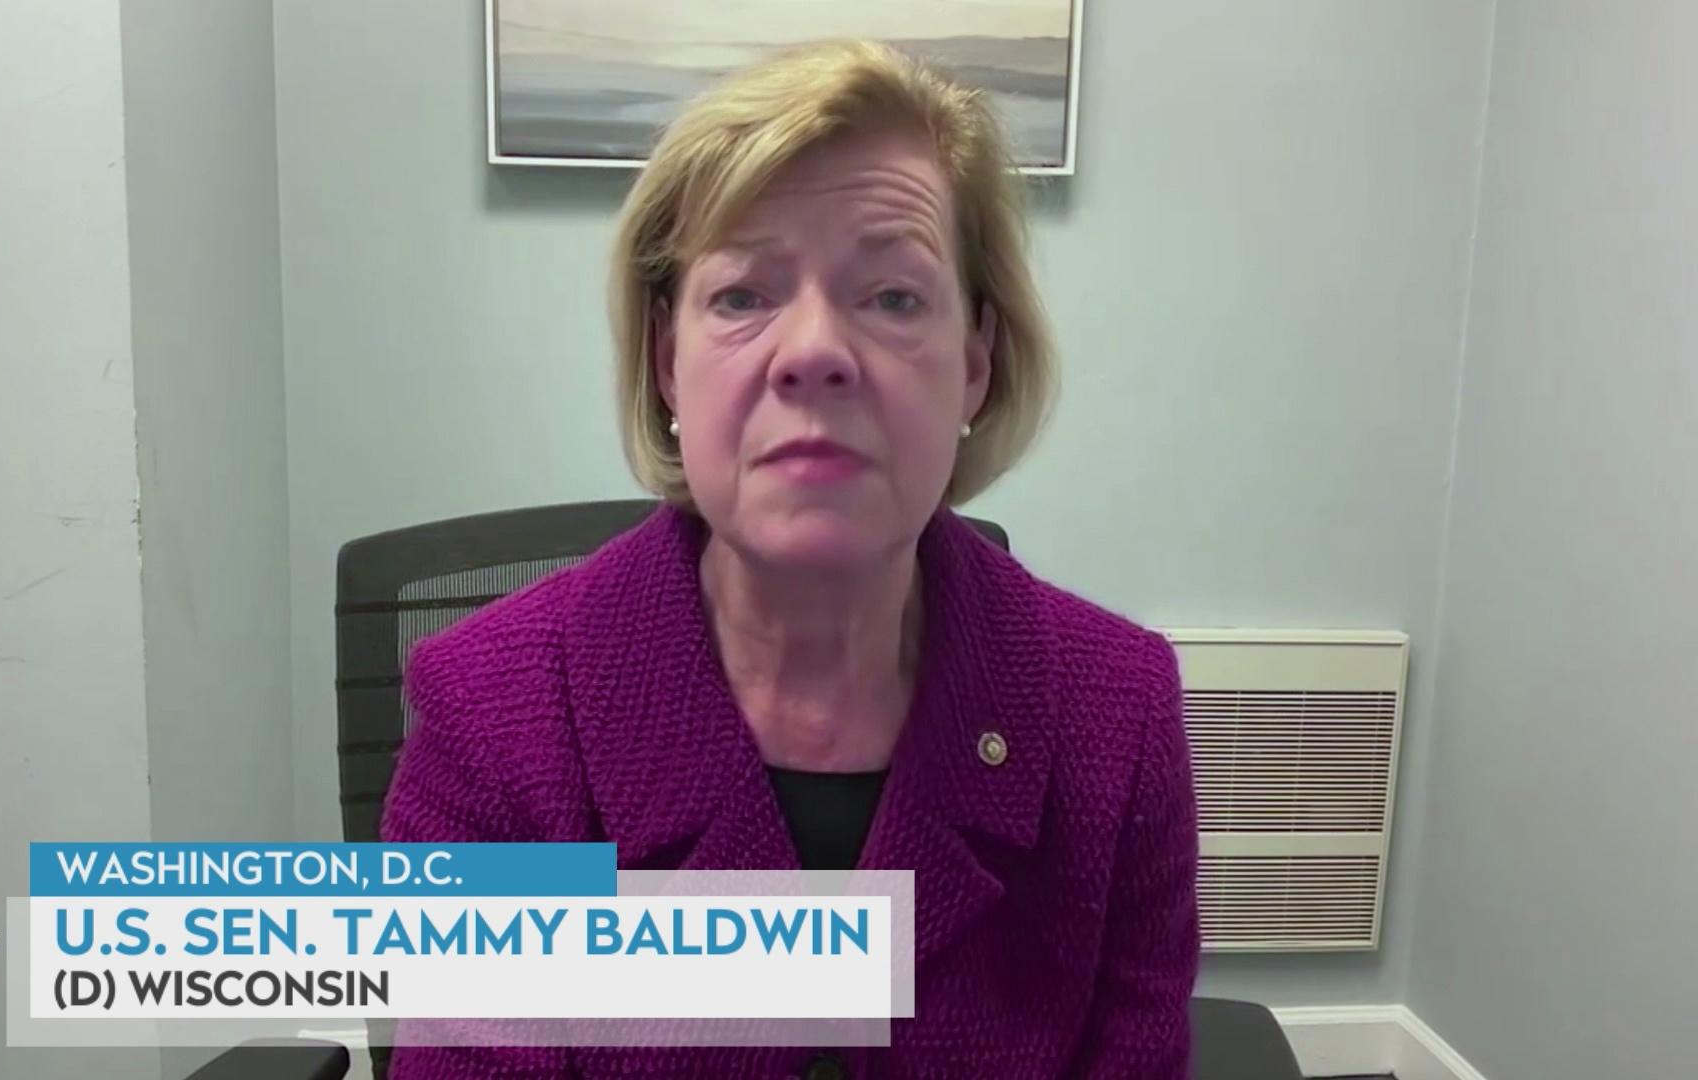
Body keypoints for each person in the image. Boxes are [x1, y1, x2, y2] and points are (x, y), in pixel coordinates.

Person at [383, 39, 1198, 1078]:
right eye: (742, 296)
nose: (813, 350)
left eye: (893, 297)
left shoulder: (1114, 713)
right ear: (665, 359)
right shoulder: (490, 718)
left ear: (976, 367)